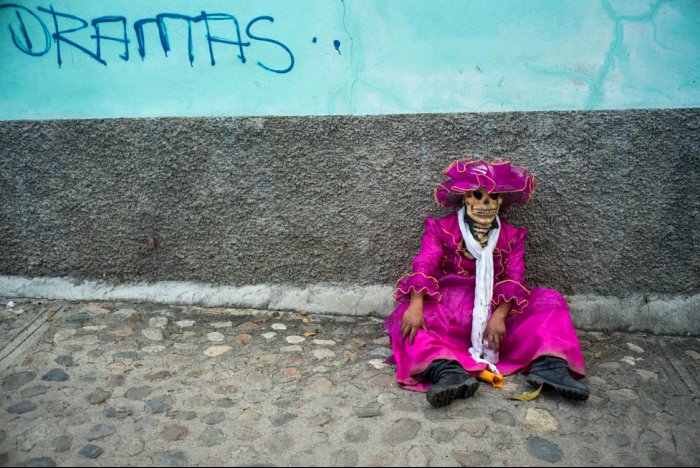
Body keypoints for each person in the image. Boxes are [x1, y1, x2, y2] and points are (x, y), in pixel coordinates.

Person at [384, 159, 589, 408]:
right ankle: (446, 371)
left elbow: (515, 277)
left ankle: (550, 366)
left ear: (500, 202)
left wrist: (500, 315)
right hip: (451, 307)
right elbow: (425, 262)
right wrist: (415, 304)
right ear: (465, 199)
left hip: (496, 307)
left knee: (550, 301)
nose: (485, 203)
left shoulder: (512, 236)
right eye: (478, 196)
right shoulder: (441, 229)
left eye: (493, 197)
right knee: (405, 321)